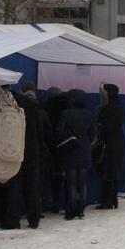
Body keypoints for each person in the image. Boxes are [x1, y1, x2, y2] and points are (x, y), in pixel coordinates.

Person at [2, 81, 50, 229]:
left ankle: (12, 219)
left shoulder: (7, 104)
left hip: (14, 149)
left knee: (14, 185)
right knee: (32, 185)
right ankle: (34, 218)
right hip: (32, 149)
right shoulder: (31, 105)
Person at [55, 89, 95, 220]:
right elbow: (93, 134)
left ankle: (71, 209)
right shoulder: (89, 114)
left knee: (71, 181)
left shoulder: (66, 113)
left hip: (71, 151)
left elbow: (59, 132)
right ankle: (81, 208)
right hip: (85, 151)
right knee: (82, 182)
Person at [94, 83, 125, 209]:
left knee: (107, 172)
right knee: (113, 173)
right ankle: (113, 200)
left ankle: (107, 201)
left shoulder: (108, 109)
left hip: (108, 144)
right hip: (117, 143)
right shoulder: (119, 107)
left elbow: (107, 128)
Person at [44, 86, 70, 214]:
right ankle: (67, 203)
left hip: (52, 146)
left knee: (55, 178)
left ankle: (55, 202)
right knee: (67, 177)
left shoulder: (47, 106)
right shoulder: (67, 106)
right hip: (66, 146)